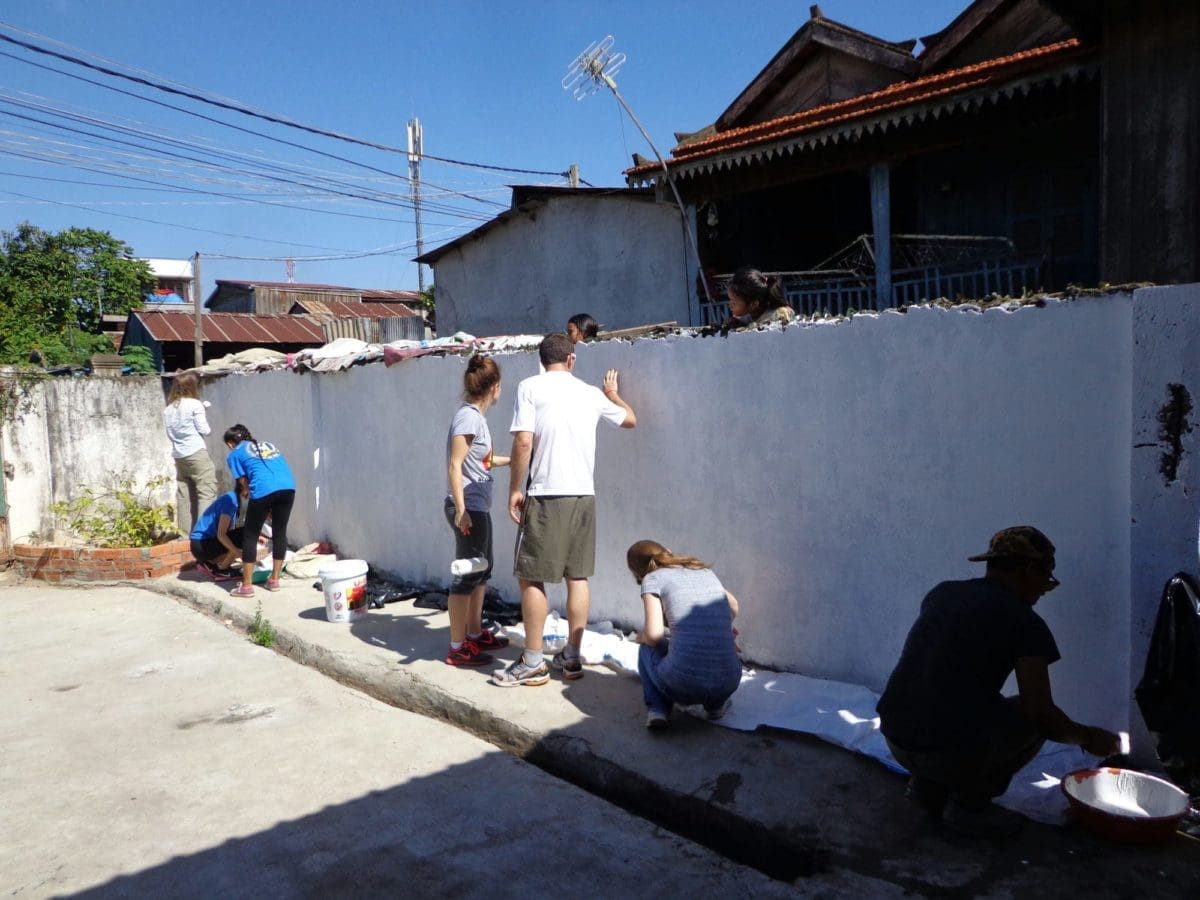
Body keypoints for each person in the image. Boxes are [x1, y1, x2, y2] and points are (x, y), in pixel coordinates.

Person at [876, 526, 1122, 838]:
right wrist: (1088, 737)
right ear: (1029, 570)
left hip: (894, 735)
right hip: (939, 753)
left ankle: (926, 789)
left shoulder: (943, 592)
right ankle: (967, 806)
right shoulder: (1026, 623)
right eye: (1047, 579)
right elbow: (1041, 716)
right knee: (1029, 717)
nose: (1045, 589)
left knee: (961, 706)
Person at [492, 333, 637, 686]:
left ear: (543, 361)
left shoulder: (530, 387)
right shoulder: (590, 393)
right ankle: (572, 657)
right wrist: (612, 394)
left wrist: (514, 488)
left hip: (546, 494)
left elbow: (523, 440)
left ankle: (532, 660)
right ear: (571, 360)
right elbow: (630, 419)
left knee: (530, 575)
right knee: (577, 576)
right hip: (583, 496)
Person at [626, 540, 742, 730]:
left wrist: (640, 637)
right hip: (730, 682)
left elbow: (654, 636)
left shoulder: (652, 579)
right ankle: (715, 707)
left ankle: (658, 710)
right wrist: (721, 628)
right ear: (669, 551)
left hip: (683, 687)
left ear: (638, 573)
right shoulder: (703, 571)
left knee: (646, 647)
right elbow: (734, 606)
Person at [443, 355, 512, 667]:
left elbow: (482, 461)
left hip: (477, 506)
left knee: (482, 570)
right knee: (466, 576)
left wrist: (516, 459)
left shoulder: (476, 419)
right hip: (467, 508)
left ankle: (473, 633)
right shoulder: (469, 418)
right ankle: (457, 648)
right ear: (494, 387)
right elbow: (455, 464)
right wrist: (460, 510)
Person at [223, 424, 296, 598]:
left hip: (263, 488)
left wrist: (248, 493)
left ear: (231, 444)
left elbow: (244, 482)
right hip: (288, 486)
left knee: (250, 535)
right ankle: (274, 580)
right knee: (280, 532)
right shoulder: (267, 444)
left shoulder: (234, 453)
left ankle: (246, 587)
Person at [163, 372, 217, 535]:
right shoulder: (195, 404)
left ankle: (184, 535)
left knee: (184, 495)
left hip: (179, 455)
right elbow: (204, 430)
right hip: (196, 452)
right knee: (206, 492)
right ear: (192, 386)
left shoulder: (169, 409)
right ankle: (203, 535)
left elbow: (170, 433)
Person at [189, 488, 244, 578]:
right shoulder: (231, 501)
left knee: (243, 536)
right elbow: (221, 535)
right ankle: (222, 570)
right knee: (244, 534)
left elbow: (227, 532)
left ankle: (209, 563)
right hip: (202, 545)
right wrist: (241, 555)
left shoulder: (234, 499)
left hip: (201, 545)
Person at [722, 267, 795, 331]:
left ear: (754, 304)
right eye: (730, 300)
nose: (730, 305)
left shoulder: (780, 315)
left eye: (734, 302)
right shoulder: (746, 318)